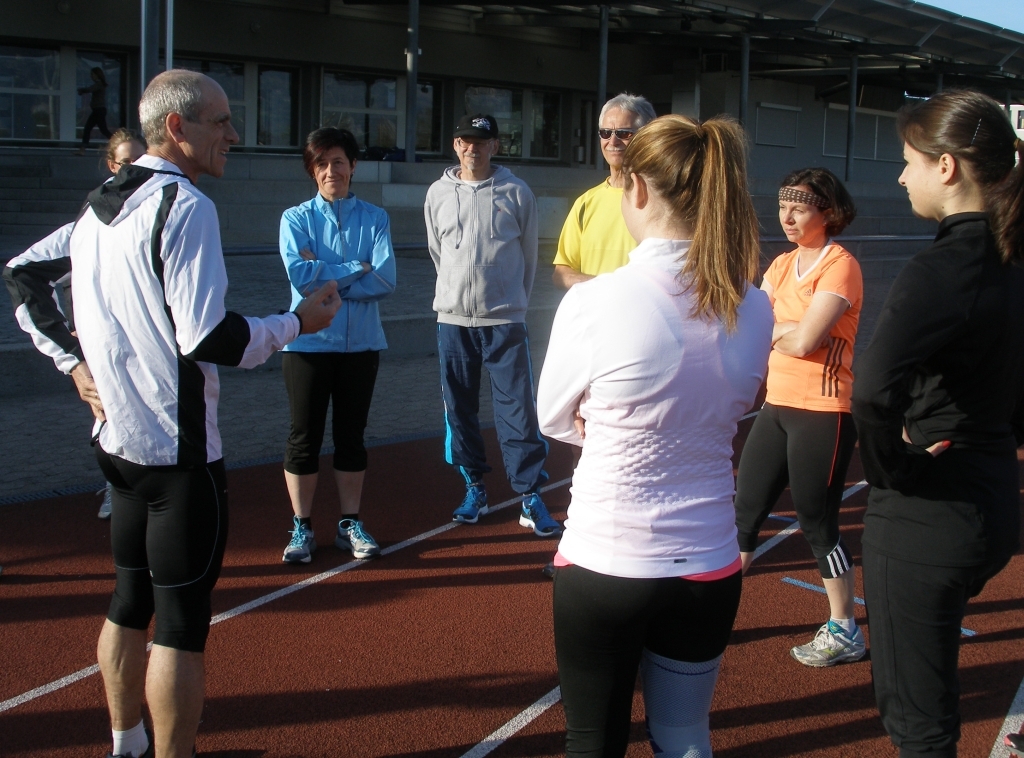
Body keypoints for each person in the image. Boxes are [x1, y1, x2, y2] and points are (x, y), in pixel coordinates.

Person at [69, 69, 341, 758]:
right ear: (176, 128)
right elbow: (209, 338)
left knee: (129, 602)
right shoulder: (185, 205)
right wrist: (295, 323)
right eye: (221, 121)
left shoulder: (98, 204)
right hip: (177, 455)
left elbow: (28, 277)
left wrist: (72, 365)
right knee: (181, 626)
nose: (235, 134)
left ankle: (126, 743)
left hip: (119, 447)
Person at [537, 114, 774, 757]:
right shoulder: (754, 304)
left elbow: (553, 417)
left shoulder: (594, 301)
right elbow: (735, 400)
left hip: (607, 558)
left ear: (637, 189)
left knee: (592, 740)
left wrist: (612, 423)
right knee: (684, 737)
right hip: (709, 561)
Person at [851, 89, 1024, 758]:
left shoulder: (943, 267)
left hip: (927, 517)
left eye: (908, 161)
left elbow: (871, 393)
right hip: (991, 502)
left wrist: (897, 470)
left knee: (916, 720)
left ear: (946, 167)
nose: (900, 176)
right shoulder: (1014, 261)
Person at [733, 168, 864, 667]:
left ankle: (845, 628)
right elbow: (754, 328)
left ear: (827, 212)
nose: (786, 216)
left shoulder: (841, 266)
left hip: (823, 413)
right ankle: (710, 611)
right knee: (744, 514)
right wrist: (788, 328)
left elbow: (806, 341)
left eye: (800, 207)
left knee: (817, 522)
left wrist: (779, 328)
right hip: (777, 407)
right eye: (783, 205)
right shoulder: (782, 264)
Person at [423, 113, 558, 537]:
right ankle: (474, 487)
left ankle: (530, 495)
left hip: (505, 320)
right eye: (465, 141)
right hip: (453, 321)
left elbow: (529, 259)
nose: (473, 148)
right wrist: (454, 296)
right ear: (455, 146)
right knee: (459, 408)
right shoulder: (437, 193)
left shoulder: (517, 193)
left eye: (481, 141)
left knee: (517, 408)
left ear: (495, 146)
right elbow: (436, 251)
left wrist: (510, 303)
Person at [3, 128, 147, 519]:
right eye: (127, 162)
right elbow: (21, 273)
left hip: (152, 355)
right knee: (111, 417)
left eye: (143, 159)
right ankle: (116, 487)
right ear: (112, 166)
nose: (136, 170)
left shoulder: (165, 210)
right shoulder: (88, 228)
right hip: (104, 354)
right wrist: (69, 352)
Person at [278, 127, 397, 564]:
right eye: (322, 163)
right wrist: (354, 267)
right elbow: (300, 276)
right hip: (307, 345)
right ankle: (302, 527)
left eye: (340, 162)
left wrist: (327, 277)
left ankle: (349, 523)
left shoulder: (376, 218)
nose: (332, 171)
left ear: (353, 166)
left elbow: (385, 279)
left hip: (361, 346)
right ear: (313, 171)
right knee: (303, 438)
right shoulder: (294, 219)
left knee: (351, 437)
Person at [551, 93, 655, 290]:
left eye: (624, 133)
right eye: (605, 133)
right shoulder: (585, 203)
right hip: (595, 317)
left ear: (647, 136)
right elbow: (561, 272)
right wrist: (606, 288)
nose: (613, 141)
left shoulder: (663, 201)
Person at [76, 67, 113, 155]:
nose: (91, 76)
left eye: (92, 74)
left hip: (99, 111)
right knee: (92, 129)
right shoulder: (99, 84)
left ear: (97, 75)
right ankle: (82, 150)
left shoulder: (99, 84)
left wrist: (81, 90)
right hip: (97, 110)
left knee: (99, 130)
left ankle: (120, 143)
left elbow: (90, 89)